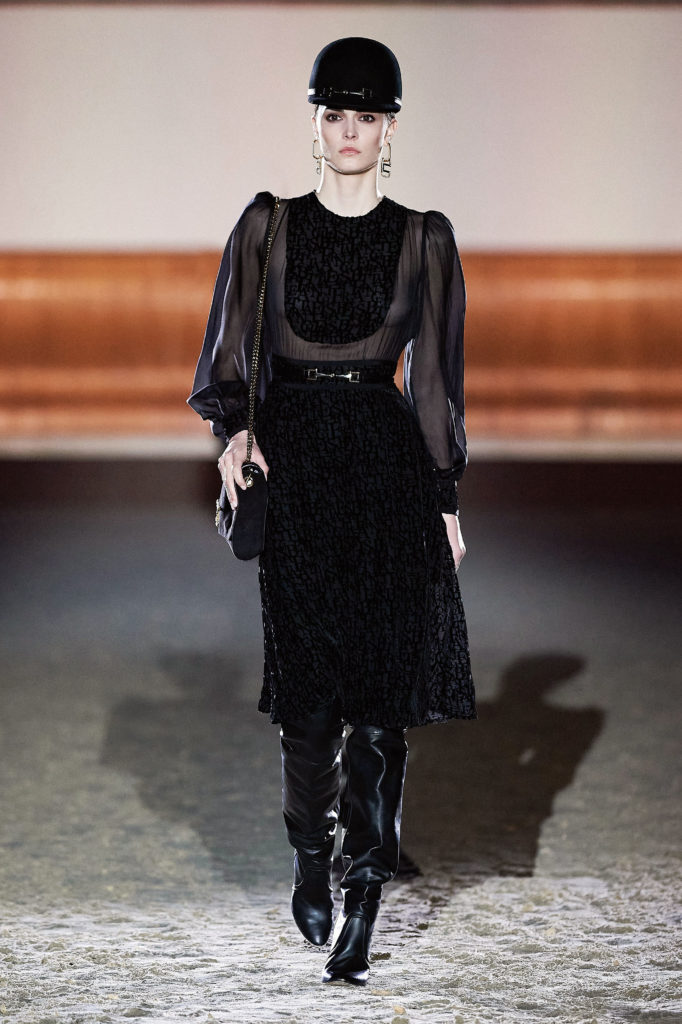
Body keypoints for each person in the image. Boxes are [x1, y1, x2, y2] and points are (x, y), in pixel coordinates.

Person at [188, 36, 476, 985]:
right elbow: (230, 354)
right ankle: (311, 854)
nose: (350, 131)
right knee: (309, 699)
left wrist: (443, 499)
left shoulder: (424, 238)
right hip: (299, 470)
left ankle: (363, 892)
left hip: (388, 471)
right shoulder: (266, 228)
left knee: (383, 702)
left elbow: (434, 383)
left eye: (367, 116)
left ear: (390, 129)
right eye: (335, 113)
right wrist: (235, 434)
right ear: (316, 124)